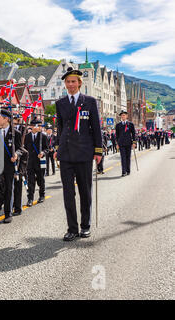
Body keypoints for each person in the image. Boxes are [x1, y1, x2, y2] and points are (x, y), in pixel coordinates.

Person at [54, 67, 102, 241]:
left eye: (74, 81)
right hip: (66, 153)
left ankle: (85, 226)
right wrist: (56, 147)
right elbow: (59, 128)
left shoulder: (89, 101)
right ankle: (72, 228)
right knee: (68, 193)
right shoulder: (60, 104)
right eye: (68, 82)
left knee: (85, 192)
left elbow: (96, 128)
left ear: (80, 83)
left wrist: (98, 150)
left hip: (83, 152)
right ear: (65, 84)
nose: (71, 84)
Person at [0, 108, 21, 223]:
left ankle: (8, 213)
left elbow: (21, 149)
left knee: (9, 188)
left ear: (6, 119)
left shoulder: (15, 133)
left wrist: (16, 154)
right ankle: (1, 199)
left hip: (9, 165)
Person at [23, 118, 48, 207]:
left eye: (40, 125)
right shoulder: (27, 136)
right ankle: (30, 198)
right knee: (31, 181)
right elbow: (24, 148)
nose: (40, 127)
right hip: (30, 162)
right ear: (33, 126)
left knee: (41, 179)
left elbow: (47, 149)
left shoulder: (43, 136)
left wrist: (43, 153)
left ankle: (42, 195)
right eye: (38, 125)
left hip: (40, 161)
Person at [115, 111, 136, 176]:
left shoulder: (130, 124)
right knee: (123, 157)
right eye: (122, 116)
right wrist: (117, 144)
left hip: (128, 143)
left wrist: (134, 142)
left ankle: (128, 170)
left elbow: (133, 134)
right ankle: (123, 171)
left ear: (126, 116)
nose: (123, 117)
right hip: (121, 144)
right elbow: (117, 135)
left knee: (128, 157)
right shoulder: (118, 125)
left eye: (124, 115)